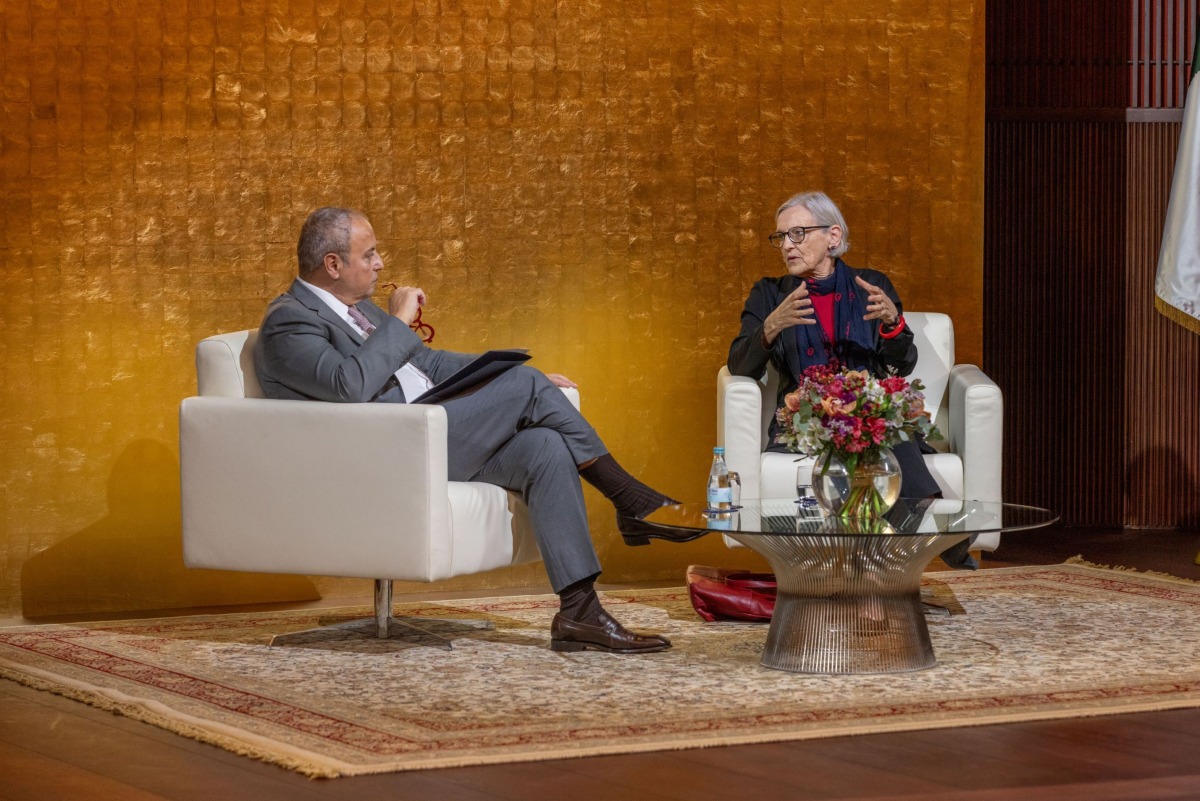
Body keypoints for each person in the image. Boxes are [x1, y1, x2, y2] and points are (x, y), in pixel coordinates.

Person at [255, 207, 678, 652]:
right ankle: (630, 500)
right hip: (386, 453)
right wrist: (398, 322)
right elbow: (349, 385)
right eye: (370, 254)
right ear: (333, 264)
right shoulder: (289, 321)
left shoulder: (355, 310)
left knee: (545, 446)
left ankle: (579, 611)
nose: (380, 263)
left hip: (428, 436)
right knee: (529, 390)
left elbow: (429, 364)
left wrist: (509, 374)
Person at [727, 190, 975, 569]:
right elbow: (740, 367)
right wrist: (771, 325)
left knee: (879, 417)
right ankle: (929, 521)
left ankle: (873, 566)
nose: (786, 246)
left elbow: (903, 364)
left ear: (833, 237)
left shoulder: (870, 286)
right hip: (808, 415)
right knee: (883, 430)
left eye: (798, 233)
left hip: (866, 409)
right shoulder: (769, 294)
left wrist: (893, 325)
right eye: (780, 237)